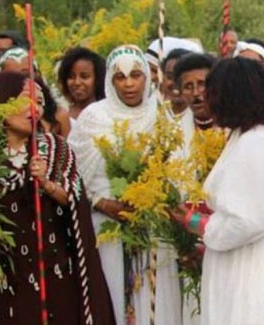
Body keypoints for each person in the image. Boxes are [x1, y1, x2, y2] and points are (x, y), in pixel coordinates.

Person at [0, 72, 115, 324]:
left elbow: (75, 198)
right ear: (2, 101)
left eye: (41, 102)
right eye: (26, 100)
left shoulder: (55, 148)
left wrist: (47, 184)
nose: (35, 109)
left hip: (52, 270)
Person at [171, 57, 264, 325]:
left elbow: (248, 222)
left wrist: (195, 223)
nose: (205, 97)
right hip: (251, 258)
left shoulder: (254, 145)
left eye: (211, 90)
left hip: (255, 266)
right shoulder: (245, 139)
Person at [68, 45, 182, 325]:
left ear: (147, 77)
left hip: (153, 229)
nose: (129, 83)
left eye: (136, 75)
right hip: (105, 227)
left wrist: (151, 199)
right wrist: (102, 203)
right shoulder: (94, 117)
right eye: (120, 77)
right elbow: (73, 179)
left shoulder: (160, 114)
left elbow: (176, 173)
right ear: (110, 80)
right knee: (113, 299)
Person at [57, 47, 106, 127]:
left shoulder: (108, 113)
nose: (77, 82)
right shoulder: (60, 116)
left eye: (85, 76)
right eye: (71, 77)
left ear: (98, 79)